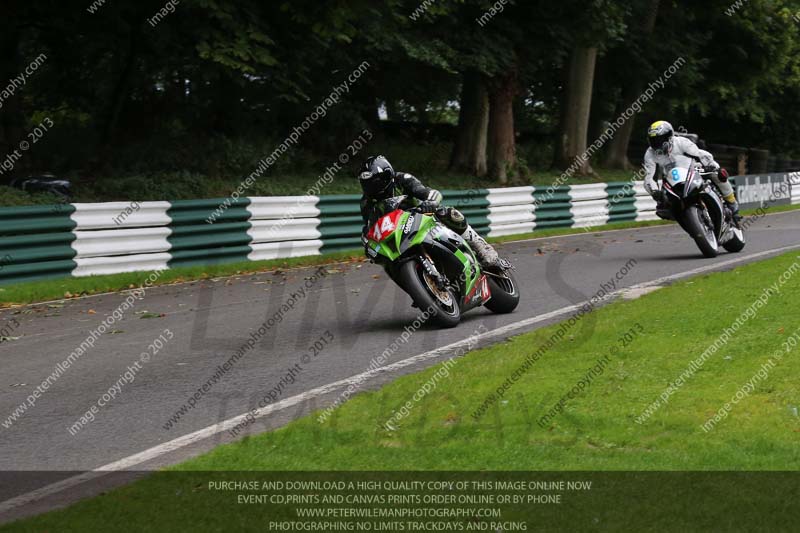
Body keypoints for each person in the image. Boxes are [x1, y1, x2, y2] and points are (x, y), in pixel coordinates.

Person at [358, 155, 506, 268]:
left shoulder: (402, 179)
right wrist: (368, 242)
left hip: (423, 218)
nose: (371, 188)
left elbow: (427, 192)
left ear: (386, 176)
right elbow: (370, 229)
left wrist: (431, 202)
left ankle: (480, 245)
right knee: (387, 262)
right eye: (367, 184)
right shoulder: (366, 203)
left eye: (374, 183)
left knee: (447, 212)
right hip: (399, 237)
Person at [643, 121, 740, 221]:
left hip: (692, 169)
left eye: (659, 139)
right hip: (671, 180)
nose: (656, 143)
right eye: (653, 140)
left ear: (669, 136)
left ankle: (731, 202)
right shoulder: (650, 154)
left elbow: (699, 154)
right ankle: (677, 213)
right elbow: (649, 177)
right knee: (662, 203)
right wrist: (655, 192)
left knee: (717, 174)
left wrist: (712, 167)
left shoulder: (681, 142)